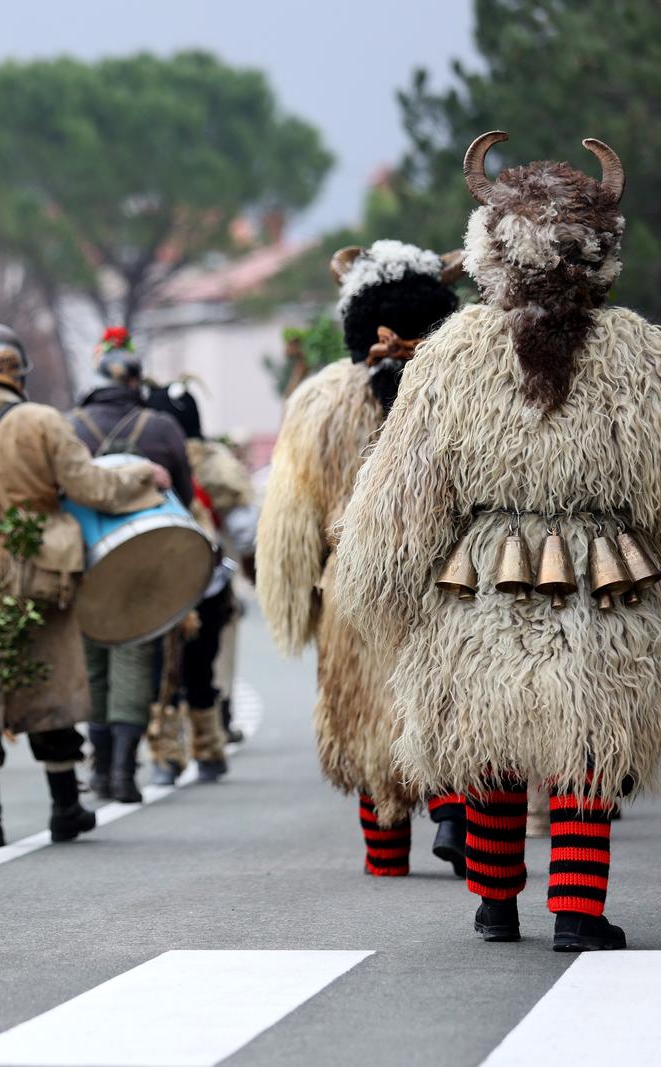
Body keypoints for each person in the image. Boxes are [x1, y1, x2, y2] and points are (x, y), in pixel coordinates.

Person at [336, 133, 661, 950]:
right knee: (588, 746)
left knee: (487, 741)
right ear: (599, 249)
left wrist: (382, 580)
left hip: (476, 577)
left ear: (491, 247)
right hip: (603, 577)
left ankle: (495, 903)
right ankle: (579, 913)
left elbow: (405, 483)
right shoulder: (638, 354)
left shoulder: (452, 354)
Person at [255, 241, 468, 878]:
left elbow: (290, 520)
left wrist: (294, 604)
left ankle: (386, 853)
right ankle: (457, 813)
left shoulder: (318, 403)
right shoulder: (462, 390)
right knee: (452, 703)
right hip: (449, 577)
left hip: (351, 587)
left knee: (364, 713)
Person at [0, 324, 167, 845]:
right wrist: (143, 475)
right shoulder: (43, 420)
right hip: (40, 569)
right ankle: (65, 806)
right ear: (19, 374)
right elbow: (92, 487)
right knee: (50, 685)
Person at [70, 328, 194, 803]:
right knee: (136, 658)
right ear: (137, 384)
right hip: (144, 561)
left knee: (93, 663)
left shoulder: (69, 426)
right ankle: (123, 772)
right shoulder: (161, 428)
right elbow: (181, 495)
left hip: (84, 560)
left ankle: (100, 771)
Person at [144, 379, 255, 784]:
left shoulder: (146, 457)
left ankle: (166, 758)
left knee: (163, 670)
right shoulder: (217, 463)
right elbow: (245, 530)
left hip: (156, 581)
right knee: (201, 666)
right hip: (208, 582)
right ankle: (209, 750)